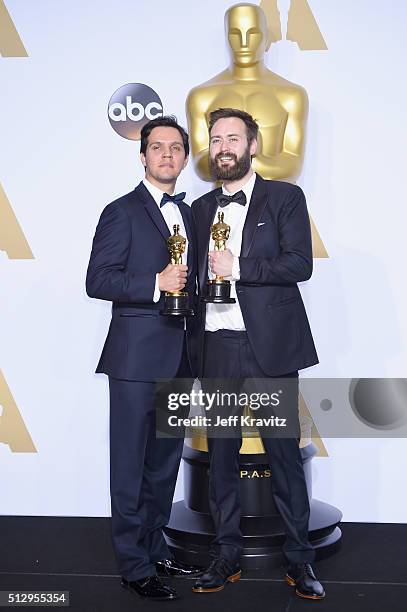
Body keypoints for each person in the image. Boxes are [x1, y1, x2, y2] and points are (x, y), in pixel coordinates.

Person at [190, 107, 325, 600]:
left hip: (267, 349)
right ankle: (224, 558)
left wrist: (239, 265)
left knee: (284, 457)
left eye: (233, 138)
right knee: (221, 459)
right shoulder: (199, 210)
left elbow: (299, 264)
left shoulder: (286, 198)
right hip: (217, 347)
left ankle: (300, 561)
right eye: (216, 138)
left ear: (252, 145)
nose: (223, 146)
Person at [86, 116, 201, 601]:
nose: (168, 156)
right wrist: (155, 283)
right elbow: (98, 280)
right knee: (130, 467)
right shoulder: (122, 211)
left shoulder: (193, 214)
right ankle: (133, 566)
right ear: (143, 156)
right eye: (158, 148)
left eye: (176, 148)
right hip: (134, 362)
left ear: (185, 156)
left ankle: (155, 548)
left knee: (163, 466)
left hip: (181, 357)